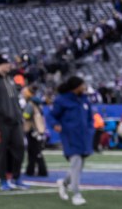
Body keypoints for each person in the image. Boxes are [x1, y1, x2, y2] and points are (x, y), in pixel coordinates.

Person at [0, 53, 28, 190]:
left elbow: (14, 100)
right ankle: (3, 180)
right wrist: (1, 114)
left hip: (15, 121)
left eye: (8, 63)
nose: (8, 66)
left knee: (20, 148)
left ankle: (16, 177)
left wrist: (18, 115)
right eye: (5, 64)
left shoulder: (10, 79)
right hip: (1, 122)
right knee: (1, 151)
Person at [52, 75, 92, 206]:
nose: (84, 87)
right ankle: (76, 194)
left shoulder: (85, 100)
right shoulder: (62, 100)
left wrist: (90, 130)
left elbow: (90, 118)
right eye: (82, 85)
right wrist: (55, 124)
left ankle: (64, 183)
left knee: (79, 166)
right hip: (69, 136)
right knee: (76, 163)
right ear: (76, 87)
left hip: (83, 137)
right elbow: (52, 115)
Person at [22, 85, 48, 178]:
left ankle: (41, 170)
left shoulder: (30, 104)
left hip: (32, 130)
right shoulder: (37, 103)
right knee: (35, 151)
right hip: (38, 130)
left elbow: (26, 116)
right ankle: (32, 170)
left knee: (34, 151)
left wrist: (21, 111)